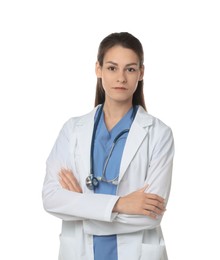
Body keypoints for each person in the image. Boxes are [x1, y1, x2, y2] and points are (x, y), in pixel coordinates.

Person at [42, 32, 175, 260]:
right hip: (80, 251)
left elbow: (150, 215)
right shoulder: (72, 130)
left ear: (141, 73)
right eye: (112, 68)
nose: (121, 78)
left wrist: (81, 206)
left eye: (130, 69)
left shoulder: (159, 134)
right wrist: (122, 203)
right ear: (98, 69)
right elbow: (51, 198)